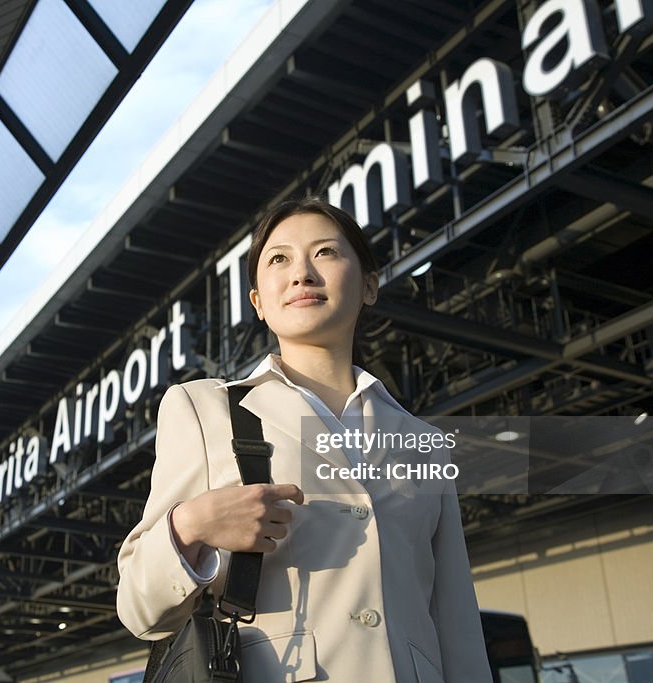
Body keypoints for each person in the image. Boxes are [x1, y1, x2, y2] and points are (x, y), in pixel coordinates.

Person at [116, 197, 491, 682]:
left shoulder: (425, 444)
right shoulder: (203, 409)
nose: (302, 274)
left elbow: (455, 622)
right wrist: (190, 525)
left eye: (326, 254)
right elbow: (139, 611)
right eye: (279, 259)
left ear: (370, 286)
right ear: (258, 301)